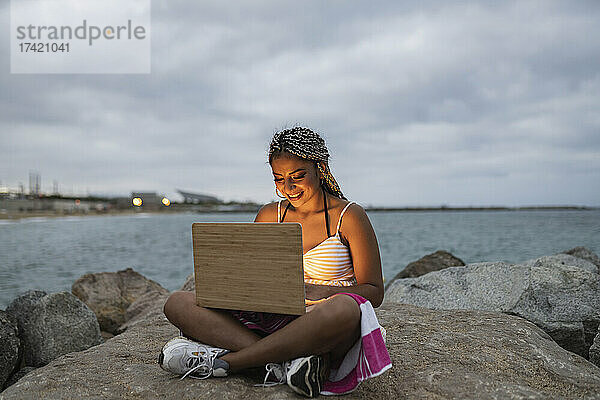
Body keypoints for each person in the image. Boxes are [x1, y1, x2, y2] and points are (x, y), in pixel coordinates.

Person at [159, 126, 391, 397]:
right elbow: (255, 274)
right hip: (271, 316)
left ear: (321, 168)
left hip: (321, 320)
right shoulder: (270, 214)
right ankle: (285, 363)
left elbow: (374, 292)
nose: (288, 188)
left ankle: (227, 363)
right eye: (279, 179)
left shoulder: (349, 216)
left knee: (346, 309)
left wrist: (324, 292)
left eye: (298, 176)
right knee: (177, 302)